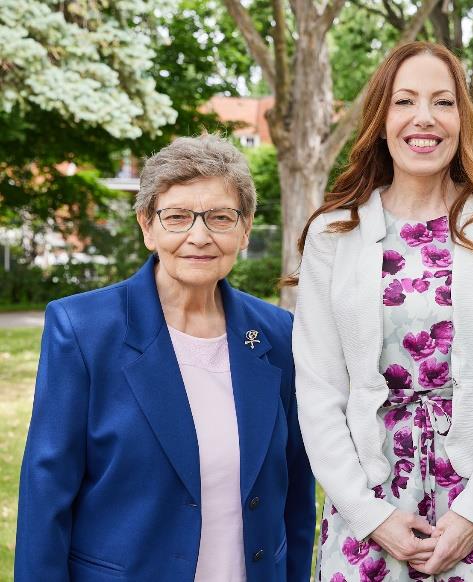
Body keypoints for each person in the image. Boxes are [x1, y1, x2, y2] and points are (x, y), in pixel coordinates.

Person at [292, 41, 473, 580]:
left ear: (464, 118)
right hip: (370, 503)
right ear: (381, 119)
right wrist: (369, 515)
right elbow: (318, 392)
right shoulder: (333, 234)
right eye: (405, 101)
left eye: (443, 101)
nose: (424, 119)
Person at [15, 135, 315, 581]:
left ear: (245, 229)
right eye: (176, 217)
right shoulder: (82, 330)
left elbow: (294, 491)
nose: (199, 236)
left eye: (219, 217)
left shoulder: (276, 333)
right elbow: (46, 498)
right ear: (147, 227)